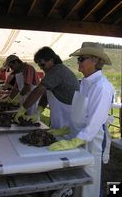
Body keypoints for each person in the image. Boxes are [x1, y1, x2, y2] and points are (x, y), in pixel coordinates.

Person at [48, 42, 115, 197]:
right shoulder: (85, 82)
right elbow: (81, 112)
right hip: (79, 135)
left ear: (95, 61)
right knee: (77, 177)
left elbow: (95, 121)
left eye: (81, 59)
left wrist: (75, 140)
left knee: (90, 179)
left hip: (93, 138)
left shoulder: (102, 87)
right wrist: (67, 129)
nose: (78, 63)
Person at [14, 46, 80, 129]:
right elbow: (46, 94)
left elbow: (39, 90)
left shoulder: (57, 70)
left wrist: (22, 109)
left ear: (51, 60)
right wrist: (39, 111)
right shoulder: (53, 71)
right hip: (60, 116)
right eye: (39, 65)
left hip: (68, 117)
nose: (41, 67)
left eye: (42, 64)